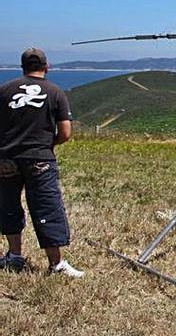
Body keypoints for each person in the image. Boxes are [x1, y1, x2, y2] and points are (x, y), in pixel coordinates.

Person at [0, 48, 84, 277]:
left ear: (22, 67)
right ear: (47, 67)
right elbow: (65, 132)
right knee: (46, 206)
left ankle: (14, 255)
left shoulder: (5, 90)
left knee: (9, 206)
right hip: (40, 159)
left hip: (7, 159)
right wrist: (48, 145)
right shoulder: (55, 92)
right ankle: (56, 263)